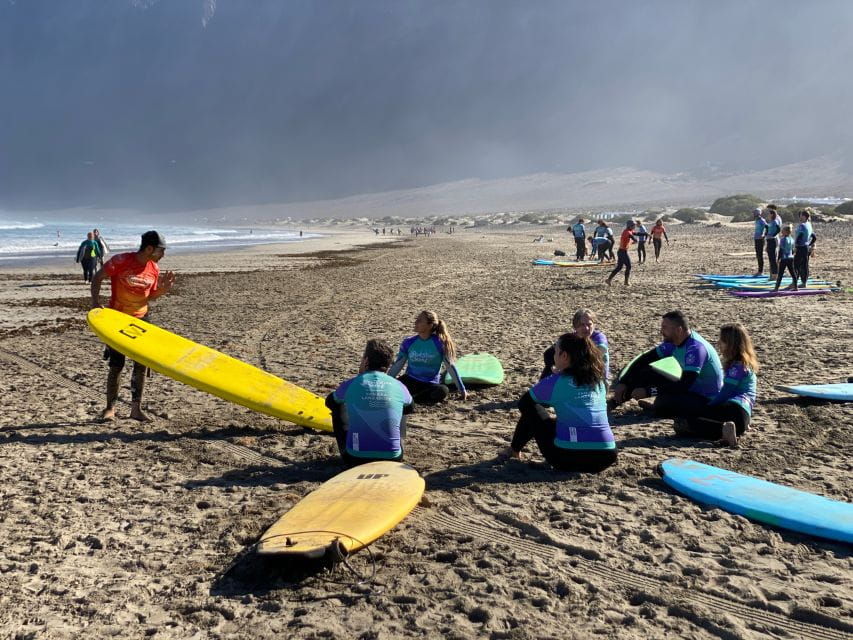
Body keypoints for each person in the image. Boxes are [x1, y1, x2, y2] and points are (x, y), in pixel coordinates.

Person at [90, 230, 175, 421]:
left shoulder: (154, 268)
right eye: (161, 251)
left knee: (140, 365)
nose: (163, 255)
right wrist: (95, 303)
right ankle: (110, 409)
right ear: (149, 248)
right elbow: (97, 277)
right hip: (118, 320)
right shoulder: (121, 261)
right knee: (117, 364)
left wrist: (162, 290)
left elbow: (149, 296)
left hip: (142, 319)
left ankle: (135, 409)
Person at [502, 333, 616, 473]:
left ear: (564, 356)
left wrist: (550, 421)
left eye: (556, 351)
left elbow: (524, 403)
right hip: (606, 456)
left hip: (567, 458)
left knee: (531, 407)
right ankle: (514, 449)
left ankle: (514, 450)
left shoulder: (556, 381)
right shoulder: (599, 382)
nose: (554, 356)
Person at [609, 310, 723, 419]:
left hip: (706, 398)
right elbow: (644, 360)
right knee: (646, 373)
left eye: (664, 328)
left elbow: (685, 384)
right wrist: (623, 382)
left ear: (679, 330)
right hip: (690, 388)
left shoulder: (695, 348)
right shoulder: (674, 342)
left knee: (663, 402)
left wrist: (648, 391)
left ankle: (656, 408)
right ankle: (615, 401)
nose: (661, 331)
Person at [325, 339, 414, 467]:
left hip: (355, 458)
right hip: (393, 459)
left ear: (366, 361)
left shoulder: (351, 384)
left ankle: (350, 446)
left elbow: (330, 402)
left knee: (337, 407)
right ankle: (392, 444)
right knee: (402, 407)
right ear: (388, 364)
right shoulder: (399, 385)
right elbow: (411, 407)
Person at [673, 323, 758, 448]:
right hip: (743, 417)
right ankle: (730, 430)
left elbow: (725, 393)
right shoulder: (745, 365)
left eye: (722, 341)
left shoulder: (738, 367)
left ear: (732, 344)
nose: (718, 343)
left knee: (684, 422)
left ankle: (726, 430)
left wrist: (707, 406)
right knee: (692, 420)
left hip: (734, 410)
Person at [387, 310, 468, 403]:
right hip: (410, 380)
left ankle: (412, 399)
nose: (415, 322)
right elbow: (398, 365)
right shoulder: (408, 342)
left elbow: (450, 366)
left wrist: (462, 390)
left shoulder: (440, 343)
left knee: (443, 390)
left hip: (430, 383)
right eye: (416, 319)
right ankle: (414, 398)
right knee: (394, 387)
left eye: (420, 320)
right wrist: (386, 383)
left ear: (430, 325)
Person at [541, 309, 610, 382]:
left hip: (594, 377)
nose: (586, 328)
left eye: (589, 324)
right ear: (575, 326)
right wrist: (553, 367)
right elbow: (548, 354)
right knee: (549, 369)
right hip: (574, 375)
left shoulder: (599, 338)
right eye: (582, 325)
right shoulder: (572, 337)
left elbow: (592, 359)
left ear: (594, 325)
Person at [605, 220, 636, 287]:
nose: (634, 226)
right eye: (633, 225)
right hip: (622, 252)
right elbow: (631, 236)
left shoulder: (630, 231)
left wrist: (646, 234)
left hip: (621, 251)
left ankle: (609, 280)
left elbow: (635, 234)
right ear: (630, 226)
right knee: (628, 266)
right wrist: (635, 240)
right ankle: (626, 282)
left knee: (619, 267)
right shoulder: (627, 232)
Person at [793, 209, 817, 288]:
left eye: (801, 215)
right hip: (806, 248)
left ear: (804, 216)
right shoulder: (809, 224)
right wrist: (809, 244)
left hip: (801, 248)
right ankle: (803, 282)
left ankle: (796, 282)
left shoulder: (802, 225)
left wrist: (795, 246)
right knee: (804, 265)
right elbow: (814, 237)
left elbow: (799, 237)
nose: (799, 216)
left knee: (796, 265)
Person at [773, 224, 797, 292]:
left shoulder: (783, 240)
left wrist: (778, 259)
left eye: (783, 231)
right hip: (791, 258)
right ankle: (796, 287)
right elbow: (793, 250)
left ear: (786, 232)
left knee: (780, 274)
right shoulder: (792, 239)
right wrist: (791, 255)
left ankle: (776, 288)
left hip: (784, 259)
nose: (781, 232)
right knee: (793, 273)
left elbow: (781, 250)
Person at [764, 205, 781, 276]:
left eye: (769, 211)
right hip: (769, 240)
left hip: (774, 240)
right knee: (771, 257)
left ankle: (775, 274)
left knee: (774, 258)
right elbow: (768, 229)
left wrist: (773, 235)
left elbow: (778, 229)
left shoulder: (776, 219)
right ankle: (772, 273)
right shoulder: (771, 221)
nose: (768, 212)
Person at [752, 207, 768, 275]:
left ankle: (760, 271)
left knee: (760, 255)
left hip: (760, 240)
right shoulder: (757, 221)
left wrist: (764, 235)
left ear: (758, 214)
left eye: (754, 214)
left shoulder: (762, 220)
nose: (753, 215)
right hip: (756, 239)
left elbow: (767, 228)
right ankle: (760, 270)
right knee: (758, 255)